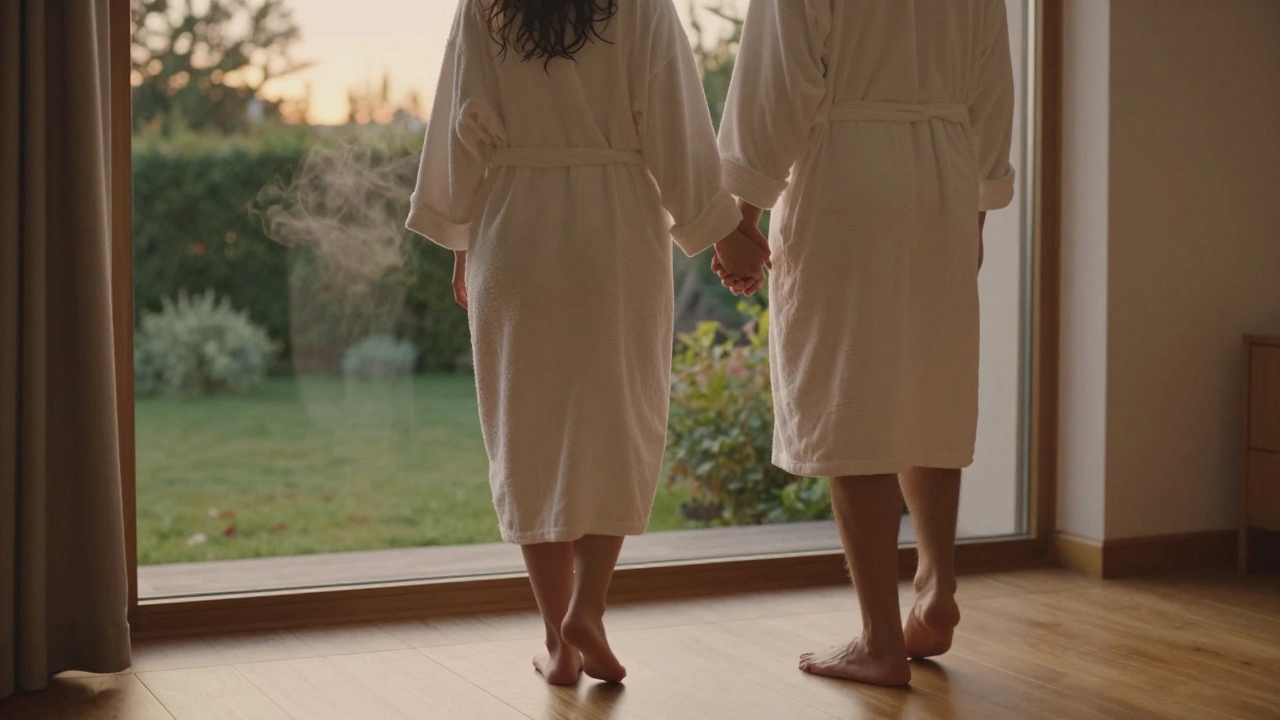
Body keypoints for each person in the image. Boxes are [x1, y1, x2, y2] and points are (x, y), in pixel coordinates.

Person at [406, 0, 768, 685]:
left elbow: (460, 120)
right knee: (617, 420)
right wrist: (726, 232)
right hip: (615, 226)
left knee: (526, 433)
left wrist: (460, 243)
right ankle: (589, 610)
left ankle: (558, 642)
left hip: (512, 226)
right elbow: (677, 125)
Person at [715, 0, 1017, 686]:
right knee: (928, 381)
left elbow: (777, 75)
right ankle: (935, 589)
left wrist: (743, 214)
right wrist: (975, 202)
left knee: (851, 396)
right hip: (943, 169)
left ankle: (881, 638)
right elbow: (992, 78)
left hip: (847, 173)